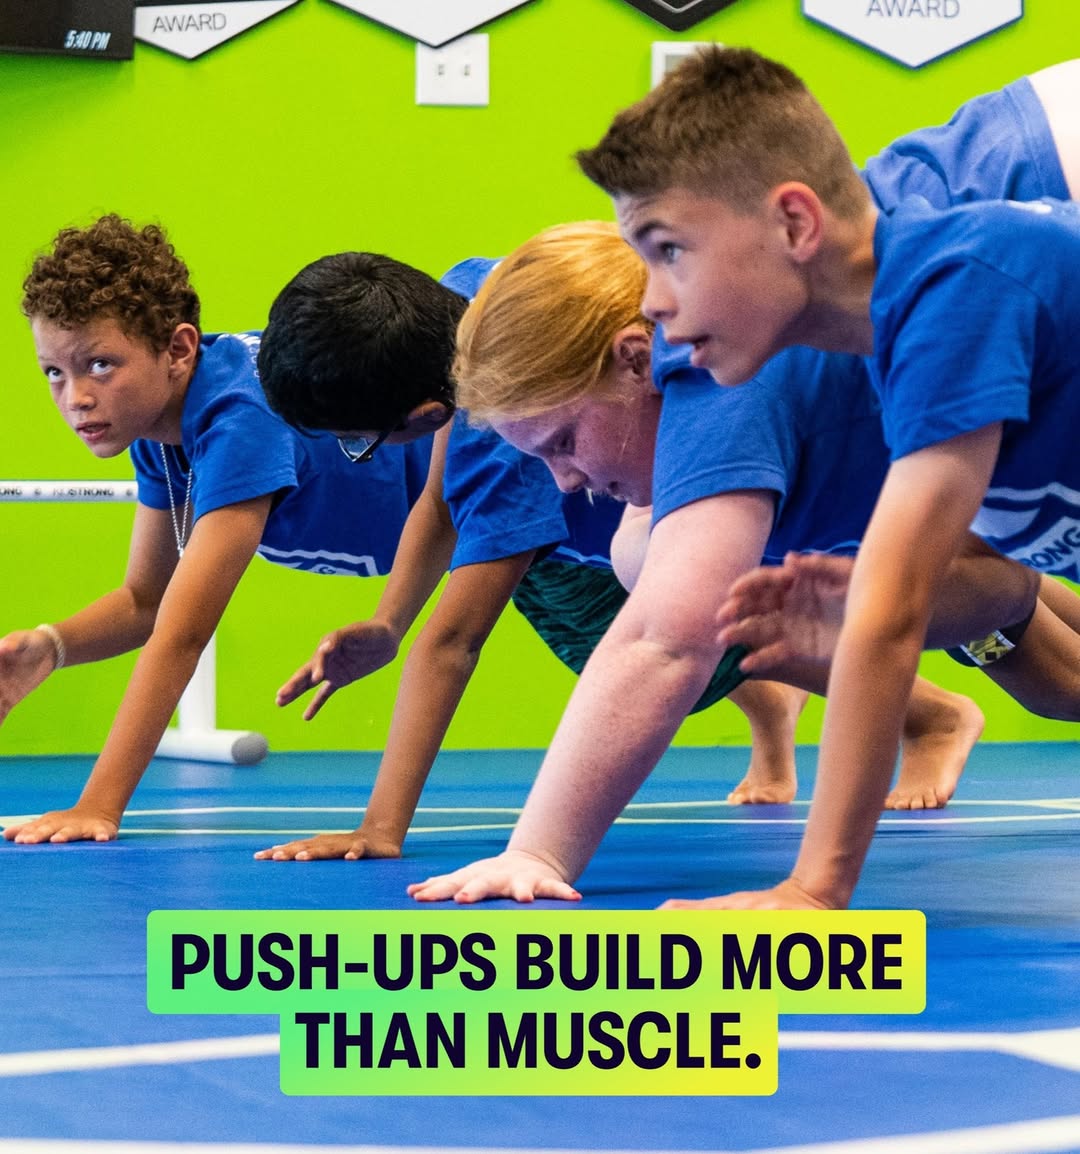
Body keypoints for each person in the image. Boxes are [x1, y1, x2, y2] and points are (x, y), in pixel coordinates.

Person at [406, 63, 1080, 905]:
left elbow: (678, 639)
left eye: (668, 253)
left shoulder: (931, 306)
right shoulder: (866, 342)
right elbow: (949, 600)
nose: (654, 303)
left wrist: (814, 890)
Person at [252, 253, 808, 865]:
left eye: (359, 441)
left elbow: (454, 642)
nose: (563, 474)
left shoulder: (502, 446)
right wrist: (388, 624)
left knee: (740, 635)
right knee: (737, 636)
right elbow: (439, 502)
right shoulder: (467, 302)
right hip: (623, 525)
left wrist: (381, 828)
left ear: (428, 415)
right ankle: (847, 708)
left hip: (698, 504)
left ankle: (898, 716)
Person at [2, 216, 430, 845]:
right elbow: (146, 600)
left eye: (100, 364)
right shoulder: (157, 428)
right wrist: (51, 647)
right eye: (54, 372)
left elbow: (183, 633)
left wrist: (98, 806)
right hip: (461, 535)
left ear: (178, 350)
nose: (76, 398)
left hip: (506, 506)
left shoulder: (239, 418)